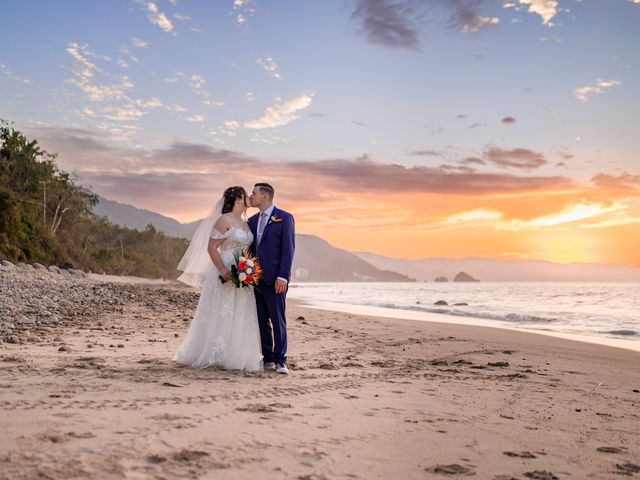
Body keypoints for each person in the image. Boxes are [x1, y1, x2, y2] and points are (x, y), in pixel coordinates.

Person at [173, 186, 262, 371]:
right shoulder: (224, 220)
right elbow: (212, 248)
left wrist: (247, 269)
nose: (249, 198)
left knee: (240, 312)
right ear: (238, 199)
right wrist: (222, 269)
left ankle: (235, 355)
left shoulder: (246, 223)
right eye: (246, 195)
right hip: (225, 270)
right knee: (221, 311)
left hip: (242, 272)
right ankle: (213, 354)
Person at [248, 183, 295, 374]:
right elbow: (249, 250)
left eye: (254, 193)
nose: (251, 196)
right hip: (255, 279)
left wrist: (283, 276)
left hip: (276, 279)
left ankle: (280, 361)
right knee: (261, 320)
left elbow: (288, 249)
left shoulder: (284, 218)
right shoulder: (251, 220)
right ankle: (267, 358)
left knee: (278, 320)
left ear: (265, 197)